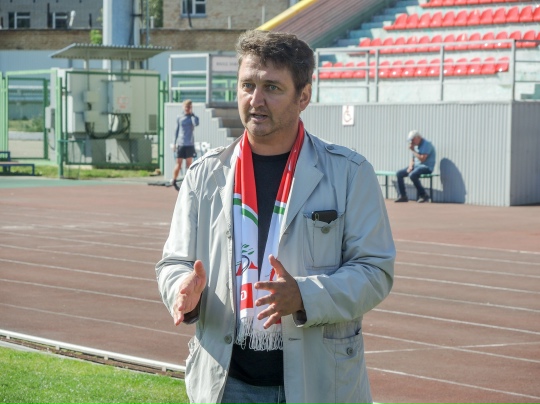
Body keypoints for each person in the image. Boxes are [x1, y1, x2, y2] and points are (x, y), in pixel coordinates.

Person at [156, 30, 395, 404]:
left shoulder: (350, 173)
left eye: (272, 87)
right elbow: (174, 262)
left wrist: (305, 296)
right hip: (226, 382)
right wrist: (182, 288)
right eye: (247, 85)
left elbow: (374, 270)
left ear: (304, 97)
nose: (256, 100)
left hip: (319, 382)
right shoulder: (205, 175)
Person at [395, 130, 436, 203]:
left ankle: (423, 195)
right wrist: (410, 167)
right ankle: (403, 196)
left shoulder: (427, 144)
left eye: (412, 139)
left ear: (417, 138)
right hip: (416, 166)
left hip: (426, 167)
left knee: (412, 175)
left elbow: (422, 159)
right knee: (399, 174)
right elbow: (413, 159)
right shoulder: (416, 146)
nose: (412, 142)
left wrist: (413, 150)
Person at [171, 99, 199, 190]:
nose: (187, 109)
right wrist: (174, 143)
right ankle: (174, 180)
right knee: (178, 163)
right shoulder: (179, 117)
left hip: (189, 144)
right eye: (186, 107)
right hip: (181, 143)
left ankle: (188, 182)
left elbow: (196, 123)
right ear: (183, 107)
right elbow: (176, 130)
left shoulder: (193, 117)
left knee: (189, 164)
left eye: (189, 107)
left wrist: (192, 115)